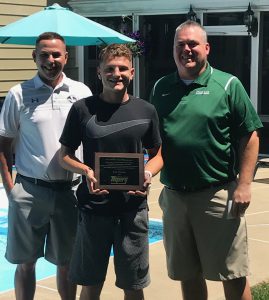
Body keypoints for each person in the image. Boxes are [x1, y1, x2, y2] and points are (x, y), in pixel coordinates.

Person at [150, 20, 263, 300]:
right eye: (180, 45)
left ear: (206, 48)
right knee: (187, 275)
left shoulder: (227, 85)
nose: (186, 50)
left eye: (193, 44)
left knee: (232, 274)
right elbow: (157, 143)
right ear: (173, 49)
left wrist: (244, 184)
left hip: (217, 195)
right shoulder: (160, 88)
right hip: (175, 198)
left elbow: (250, 136)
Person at [58, 43, 163, 300]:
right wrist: (86, 171)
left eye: (123, 68)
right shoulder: (82, 109)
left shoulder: (146, 110)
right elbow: (64, 156)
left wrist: (147, 174)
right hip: (94, 209)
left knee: (133, 286)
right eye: (110, 68)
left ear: (132, 73)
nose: (116, 73)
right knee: (91, 285)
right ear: (99, 73)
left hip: (133, 209)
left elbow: (158, 155)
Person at [0, 32, 92, 300]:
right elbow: (3, 146)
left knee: (66, 264)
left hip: (70, 192)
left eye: (56, 54)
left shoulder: (81, 92)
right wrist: (11, 191)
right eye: (44, 54)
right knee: (25, 263)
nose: (50, 60)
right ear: (34, 57)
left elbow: (91, 138)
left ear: (66, 57)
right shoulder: (18, 94)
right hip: (29, 192)